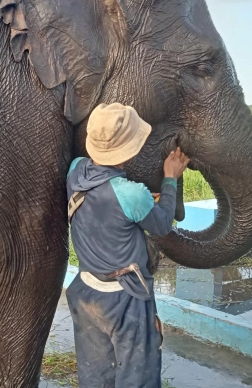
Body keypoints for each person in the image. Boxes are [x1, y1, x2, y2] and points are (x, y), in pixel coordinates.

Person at [65, 103, 189, 388]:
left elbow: (104, 205)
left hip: (85, 290)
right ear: (130, 149)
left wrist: (140, 202)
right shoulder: (132, 194)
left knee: (96, 375)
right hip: (124, 298)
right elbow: (161, 225)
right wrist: (170, 179)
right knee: (138, 376)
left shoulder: (76, 170)